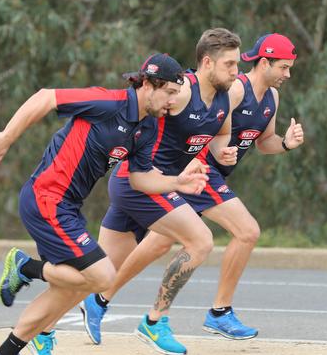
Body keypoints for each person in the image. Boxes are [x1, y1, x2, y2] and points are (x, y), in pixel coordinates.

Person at [0, 53, 208, 355]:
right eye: (170, 93)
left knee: (69, 289)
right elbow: (46, 97)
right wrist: (7, 136)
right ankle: (26, 267)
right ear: (149, 84)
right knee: (102, 276)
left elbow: (140, 179)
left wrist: (177, 182)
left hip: (67, 207)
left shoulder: (146, 127)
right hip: (47, 197)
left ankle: (5, 351)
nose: (173, 103)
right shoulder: (107, 103)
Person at [82, 33, 304, 347]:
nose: (288, 74)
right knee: (243, 232)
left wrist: (282, 144)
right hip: (189, 173)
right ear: (265, 62)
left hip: (183, 173)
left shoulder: (263, 98)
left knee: (157, 246)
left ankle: (100, 300)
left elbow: (241, 137)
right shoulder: (230, 88)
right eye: (284, 67)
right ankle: (213, 313)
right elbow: (157, 107)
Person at [80, 28, 242, 355]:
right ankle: (155, 322)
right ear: (207, 62)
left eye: (237, 64)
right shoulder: (181, 92)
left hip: (154, 184)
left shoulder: (225, 96)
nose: (236, 72)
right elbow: (138, 108)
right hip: (138, 180)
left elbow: (220, 135)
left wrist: (225, 151)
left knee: (97, 270)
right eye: (229, 64)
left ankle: (46, 306)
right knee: (200, 241)